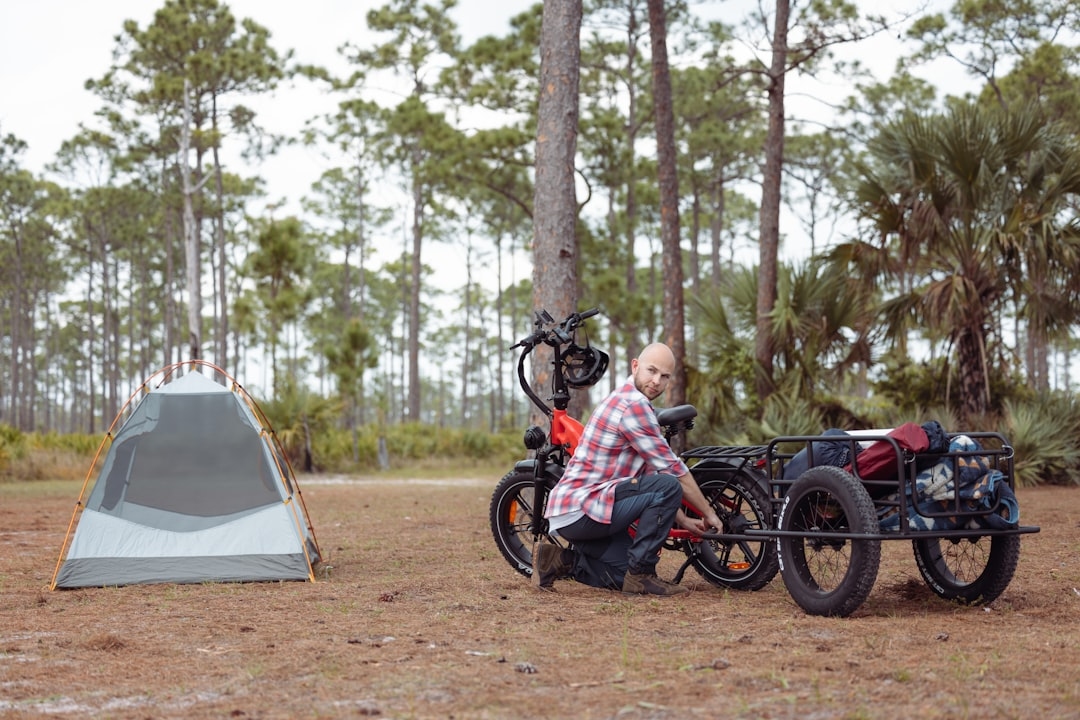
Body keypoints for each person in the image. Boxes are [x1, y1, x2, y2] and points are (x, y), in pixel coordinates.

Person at [533, 342, 723, 596]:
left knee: (623, 574)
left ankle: (558, 560)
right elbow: (672, 471)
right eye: (651, 371)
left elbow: (647, 477)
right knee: (668, 484)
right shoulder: (633, 405)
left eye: (664, 376)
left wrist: (684, 520)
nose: (656, 381)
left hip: (580, 513)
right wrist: (708, 512)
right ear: (635, 366)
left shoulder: (627, 397)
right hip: (584, 509)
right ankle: (641, 575)